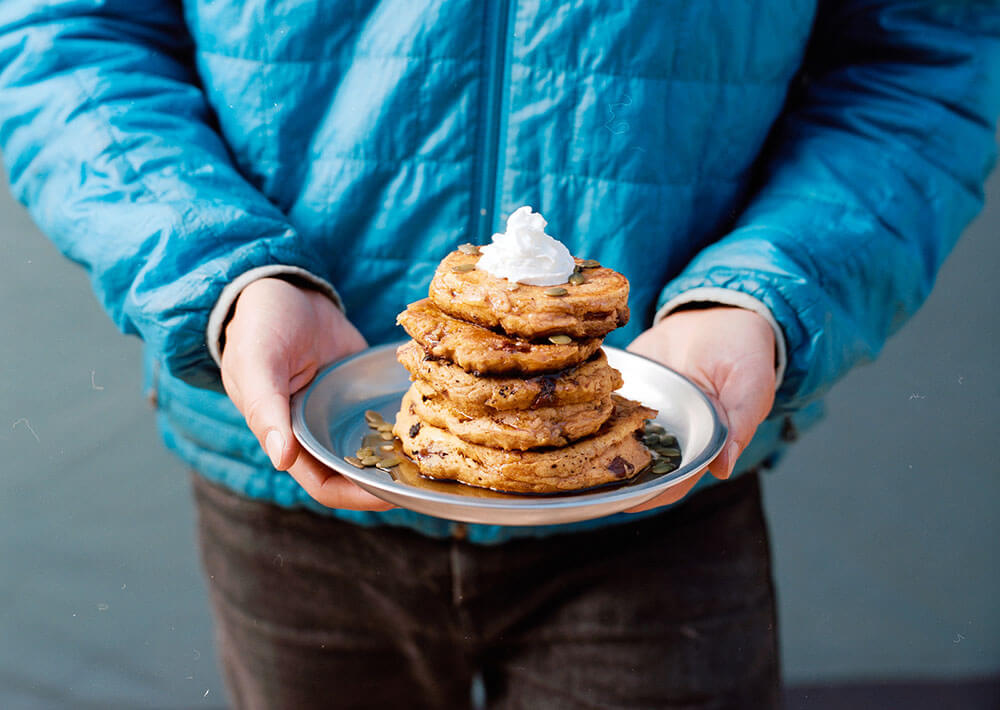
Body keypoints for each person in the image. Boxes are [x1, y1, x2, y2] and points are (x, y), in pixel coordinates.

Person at [1, 1, 997, 708]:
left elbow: (925, 57)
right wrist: (227, 277)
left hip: (654, 470)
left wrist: (763, 296)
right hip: (289, 467)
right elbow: (64, 31)